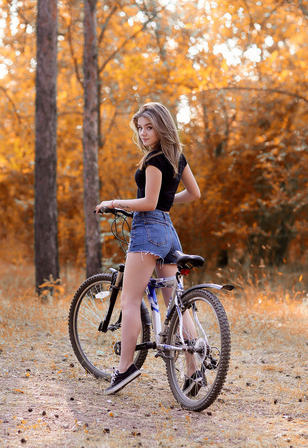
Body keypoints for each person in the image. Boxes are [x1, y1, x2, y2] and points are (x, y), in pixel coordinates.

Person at [94, 102, 201, 395]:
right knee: (176, 304)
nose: (143, 133)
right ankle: (193, 371)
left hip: (148, 231)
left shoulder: (154, 160)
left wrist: (115, 203)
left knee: (129, 301)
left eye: (149, 127)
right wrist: (166, 201)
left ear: (161, 126)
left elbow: (148, 204)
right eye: (140, 128)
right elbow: (193, 193)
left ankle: (125, 367)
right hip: (168, 231)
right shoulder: (177, 156)